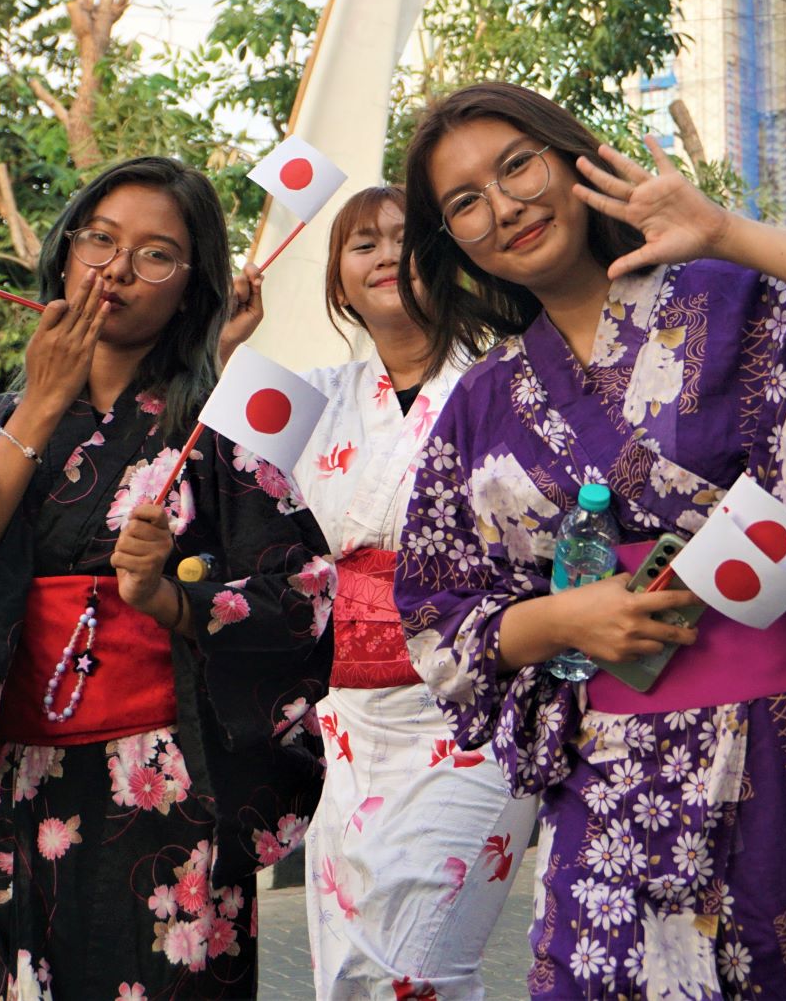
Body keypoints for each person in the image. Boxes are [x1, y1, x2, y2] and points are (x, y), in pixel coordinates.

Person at [390, 82, 786, 998]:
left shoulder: (733, 295)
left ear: (570, 160)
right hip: (615, 769)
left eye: (518, 166)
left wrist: (729, 232)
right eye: (466, 202)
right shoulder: (481, 404)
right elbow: (438, 615)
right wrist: (562, 619)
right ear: (451, 240)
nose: (504, 206)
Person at [0, 156, 332, 1000]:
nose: (117, 268)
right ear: (66, 253)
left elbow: (302, 597)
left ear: (194, 290)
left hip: (163, 792)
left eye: (157, 254)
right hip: (1, 788)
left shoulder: (216, 434)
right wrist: (38, 409)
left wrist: (173, 601)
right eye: (100, 240)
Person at [222, 186, 539, 998]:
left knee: (420, 964)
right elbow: (208, 462)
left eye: (406, 238)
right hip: (348, 720)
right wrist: (223, 344)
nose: (387, 256)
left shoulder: (511, 381)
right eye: (363, 244)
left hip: (470, 700)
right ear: (338, 282)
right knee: (352, 961)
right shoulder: (313, 396)